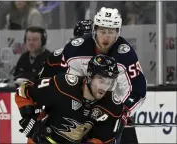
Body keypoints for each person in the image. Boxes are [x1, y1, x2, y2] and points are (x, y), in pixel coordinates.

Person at [37, 7, 147, 144]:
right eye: (102, 31)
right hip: (82, 110)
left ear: (118, 32)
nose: (106, 37)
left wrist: (123, 111)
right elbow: (67, 86)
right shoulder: (75, 50)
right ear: (94, 29)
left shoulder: (126, 55)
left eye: (111, 32)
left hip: (111, 110)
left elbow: (139, 90)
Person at [15, 54, 124, 143]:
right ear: (90, 76)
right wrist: (28, 118)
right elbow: (24, 89)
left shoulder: (112, 106)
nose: (104, 87)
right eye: (101, 80)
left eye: (109, 82)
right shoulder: (63, 86)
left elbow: (104, 139)